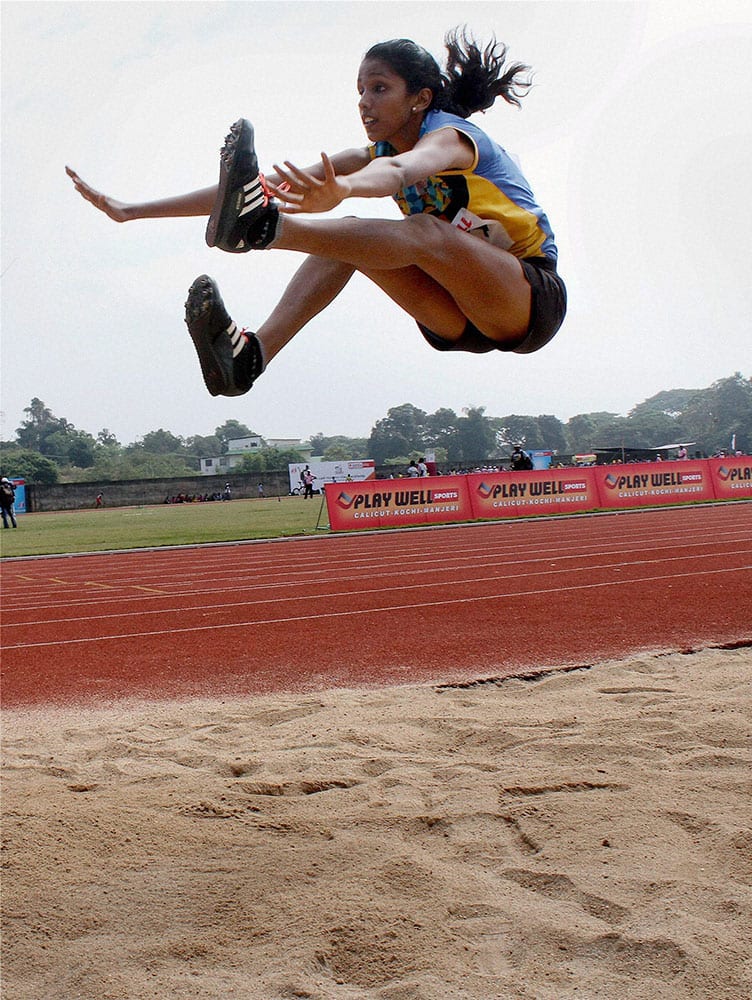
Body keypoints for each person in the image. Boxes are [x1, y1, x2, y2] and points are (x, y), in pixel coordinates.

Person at [66, 28, 566, 399]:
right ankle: (251, 357)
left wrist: (344, 187)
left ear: (422, 99)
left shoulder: (451, 138)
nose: (364, 103)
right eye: (360, 91)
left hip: (527, 297)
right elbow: (253, 188)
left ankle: (267, 230)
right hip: (453, 315)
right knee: (348, 237)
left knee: (419, 231)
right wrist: (131, 211)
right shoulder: (377, 150)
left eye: (379, 88)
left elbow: (400, 172)